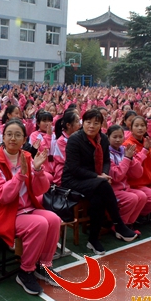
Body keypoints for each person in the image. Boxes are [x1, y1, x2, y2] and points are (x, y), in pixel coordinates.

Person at [0, 119, 62, 295]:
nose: (13, 138)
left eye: (18, 135)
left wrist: (39, 171)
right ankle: (25, 271)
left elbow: (40, 190)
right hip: (4, 213)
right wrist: (20, 175)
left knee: (54, 219)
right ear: (2, 137)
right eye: (9, 134)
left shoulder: (27, 156)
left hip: (27, 208)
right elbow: (3, 197)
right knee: (40, 224)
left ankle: (43, 266)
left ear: (24, 138)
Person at [62, 109, 137, 256]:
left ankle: (93, 239)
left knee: (98, 198)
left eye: (96, 123)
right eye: (88, 122)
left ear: (101, 124)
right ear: (83, 123)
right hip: (73, 180)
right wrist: (98, 177)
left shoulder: (102, 138)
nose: (91, 126)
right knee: (102, 186)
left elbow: (107, 161)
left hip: (94, 179)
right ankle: (119, 224)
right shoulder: (75, 140)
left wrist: (103, 173)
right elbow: (74, 168)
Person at [107, 125, 147, 233]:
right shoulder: (106, 153)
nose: (118, 139)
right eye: (114, 137)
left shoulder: (124, 150)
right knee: (132, 198)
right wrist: (127, 158)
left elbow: (137, 174)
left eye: (120, 137)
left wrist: (131, 159)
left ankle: (129, 224)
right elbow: (116, 176)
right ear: (108, 137)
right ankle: (119, 226)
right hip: (112, 190)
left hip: (125, 187)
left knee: (142, 196)